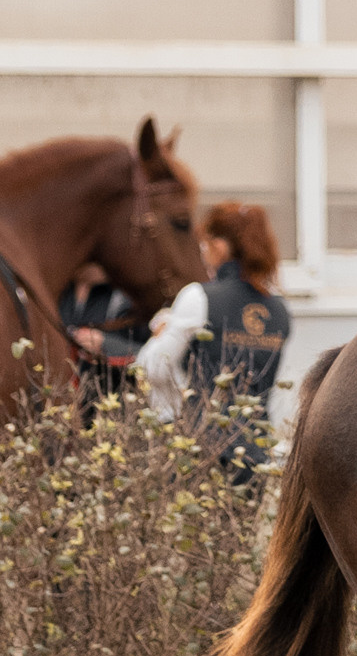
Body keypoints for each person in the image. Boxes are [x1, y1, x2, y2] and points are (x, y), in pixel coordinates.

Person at [137, 201, 291, 484]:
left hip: (200, 452)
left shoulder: (199, 297)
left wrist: (162, 331)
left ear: (220, 247)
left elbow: (153, 367)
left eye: (205, 246)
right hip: (254, 455)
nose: (204, 255)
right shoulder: (280, 310)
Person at [58, 258, 144, 413]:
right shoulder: (59, 293)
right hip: (66, 398)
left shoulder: (123, 297)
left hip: (112, 402)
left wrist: (104, 342)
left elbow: (148, 351)